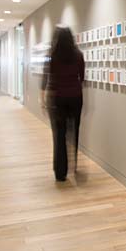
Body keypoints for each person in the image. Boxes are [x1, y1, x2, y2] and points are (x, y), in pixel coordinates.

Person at [42, 27, 85, 182]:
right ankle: (74, 165)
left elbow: (46, 78)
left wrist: (43, 99)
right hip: (76, 98)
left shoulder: (52, 55)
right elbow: (82, 77)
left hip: (57, 99)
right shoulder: (78, 55)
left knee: (59, 136)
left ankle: (61, 172)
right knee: (74, 132)